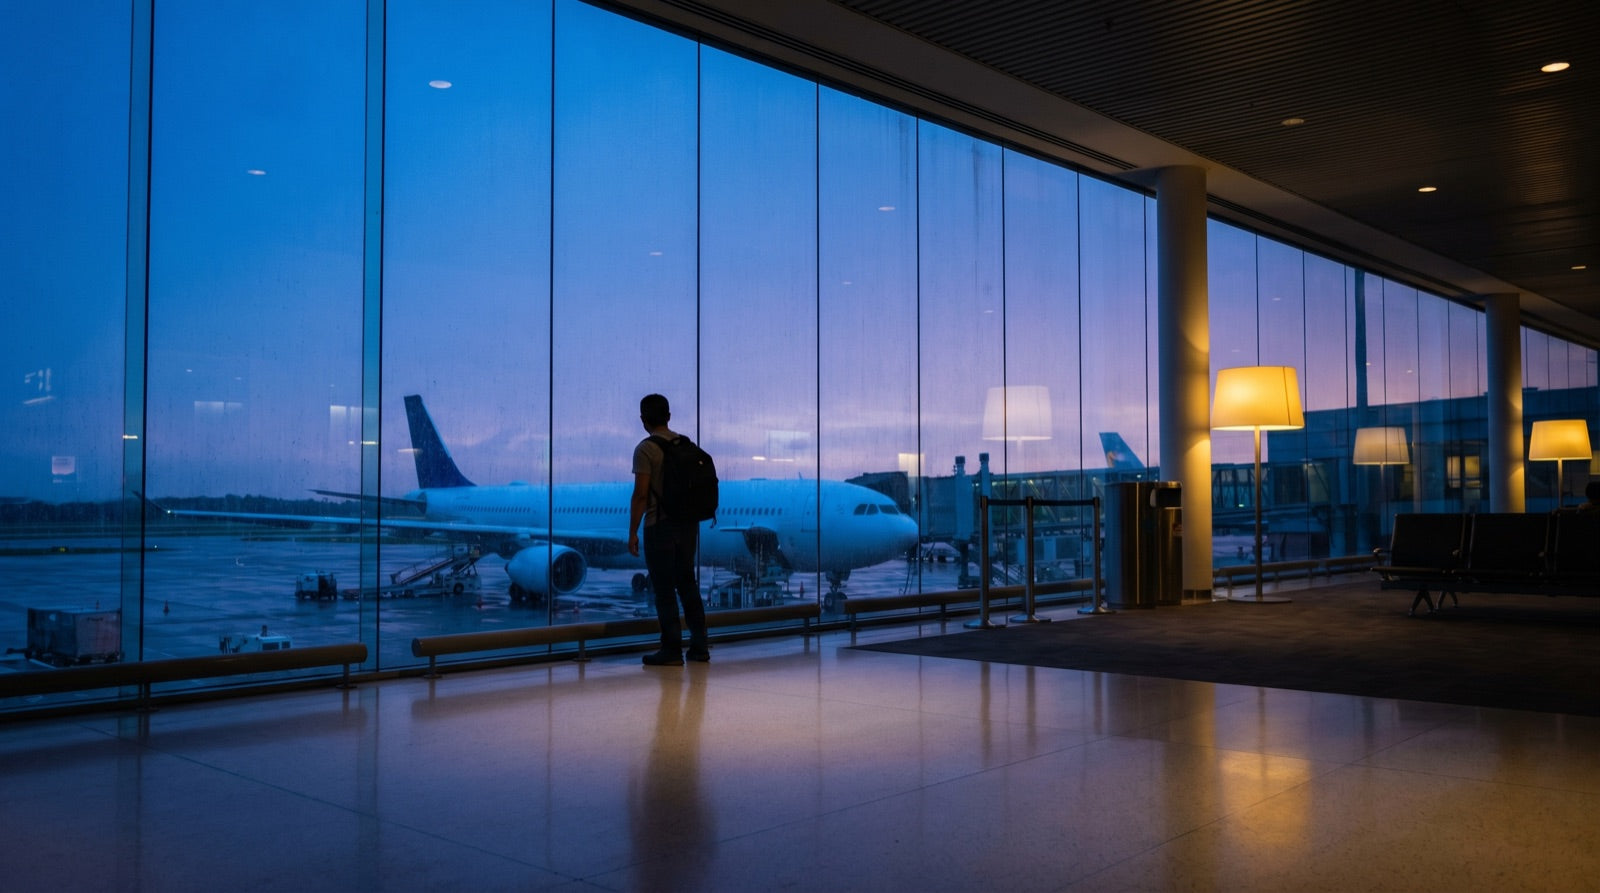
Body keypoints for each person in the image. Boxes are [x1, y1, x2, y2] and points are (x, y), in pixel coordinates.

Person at [628, 394, 710, 666]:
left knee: (663, 590)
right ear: (669, 416)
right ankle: (700, 648)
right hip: (688, 527)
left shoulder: (646, 450)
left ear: (643, 419)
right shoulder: (686, 445)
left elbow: (641, 495)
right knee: (688, 585)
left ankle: (671, 650)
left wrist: (633, 532)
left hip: (660, 526)